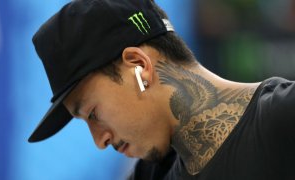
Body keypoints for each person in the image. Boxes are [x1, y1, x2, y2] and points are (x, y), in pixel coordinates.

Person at [28, 0, 295, 179]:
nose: (100, 141)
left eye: (93, 114)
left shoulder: (282, 119)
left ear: (139, 66)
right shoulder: (152, 173)